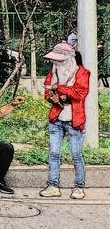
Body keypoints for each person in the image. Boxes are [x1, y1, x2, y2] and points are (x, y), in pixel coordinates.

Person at [39, 42, 89, 200]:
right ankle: (53, 185)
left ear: (68, 59)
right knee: (53, 153)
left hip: (75, 120)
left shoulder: (82, 73)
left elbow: (80, 93)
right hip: (57, 118)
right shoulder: (53, 72)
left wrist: (59, 88)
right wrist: (52, 96)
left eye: (60, 60)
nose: (57, 64)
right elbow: (47, 89)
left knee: (76, 154)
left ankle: (79, 187)